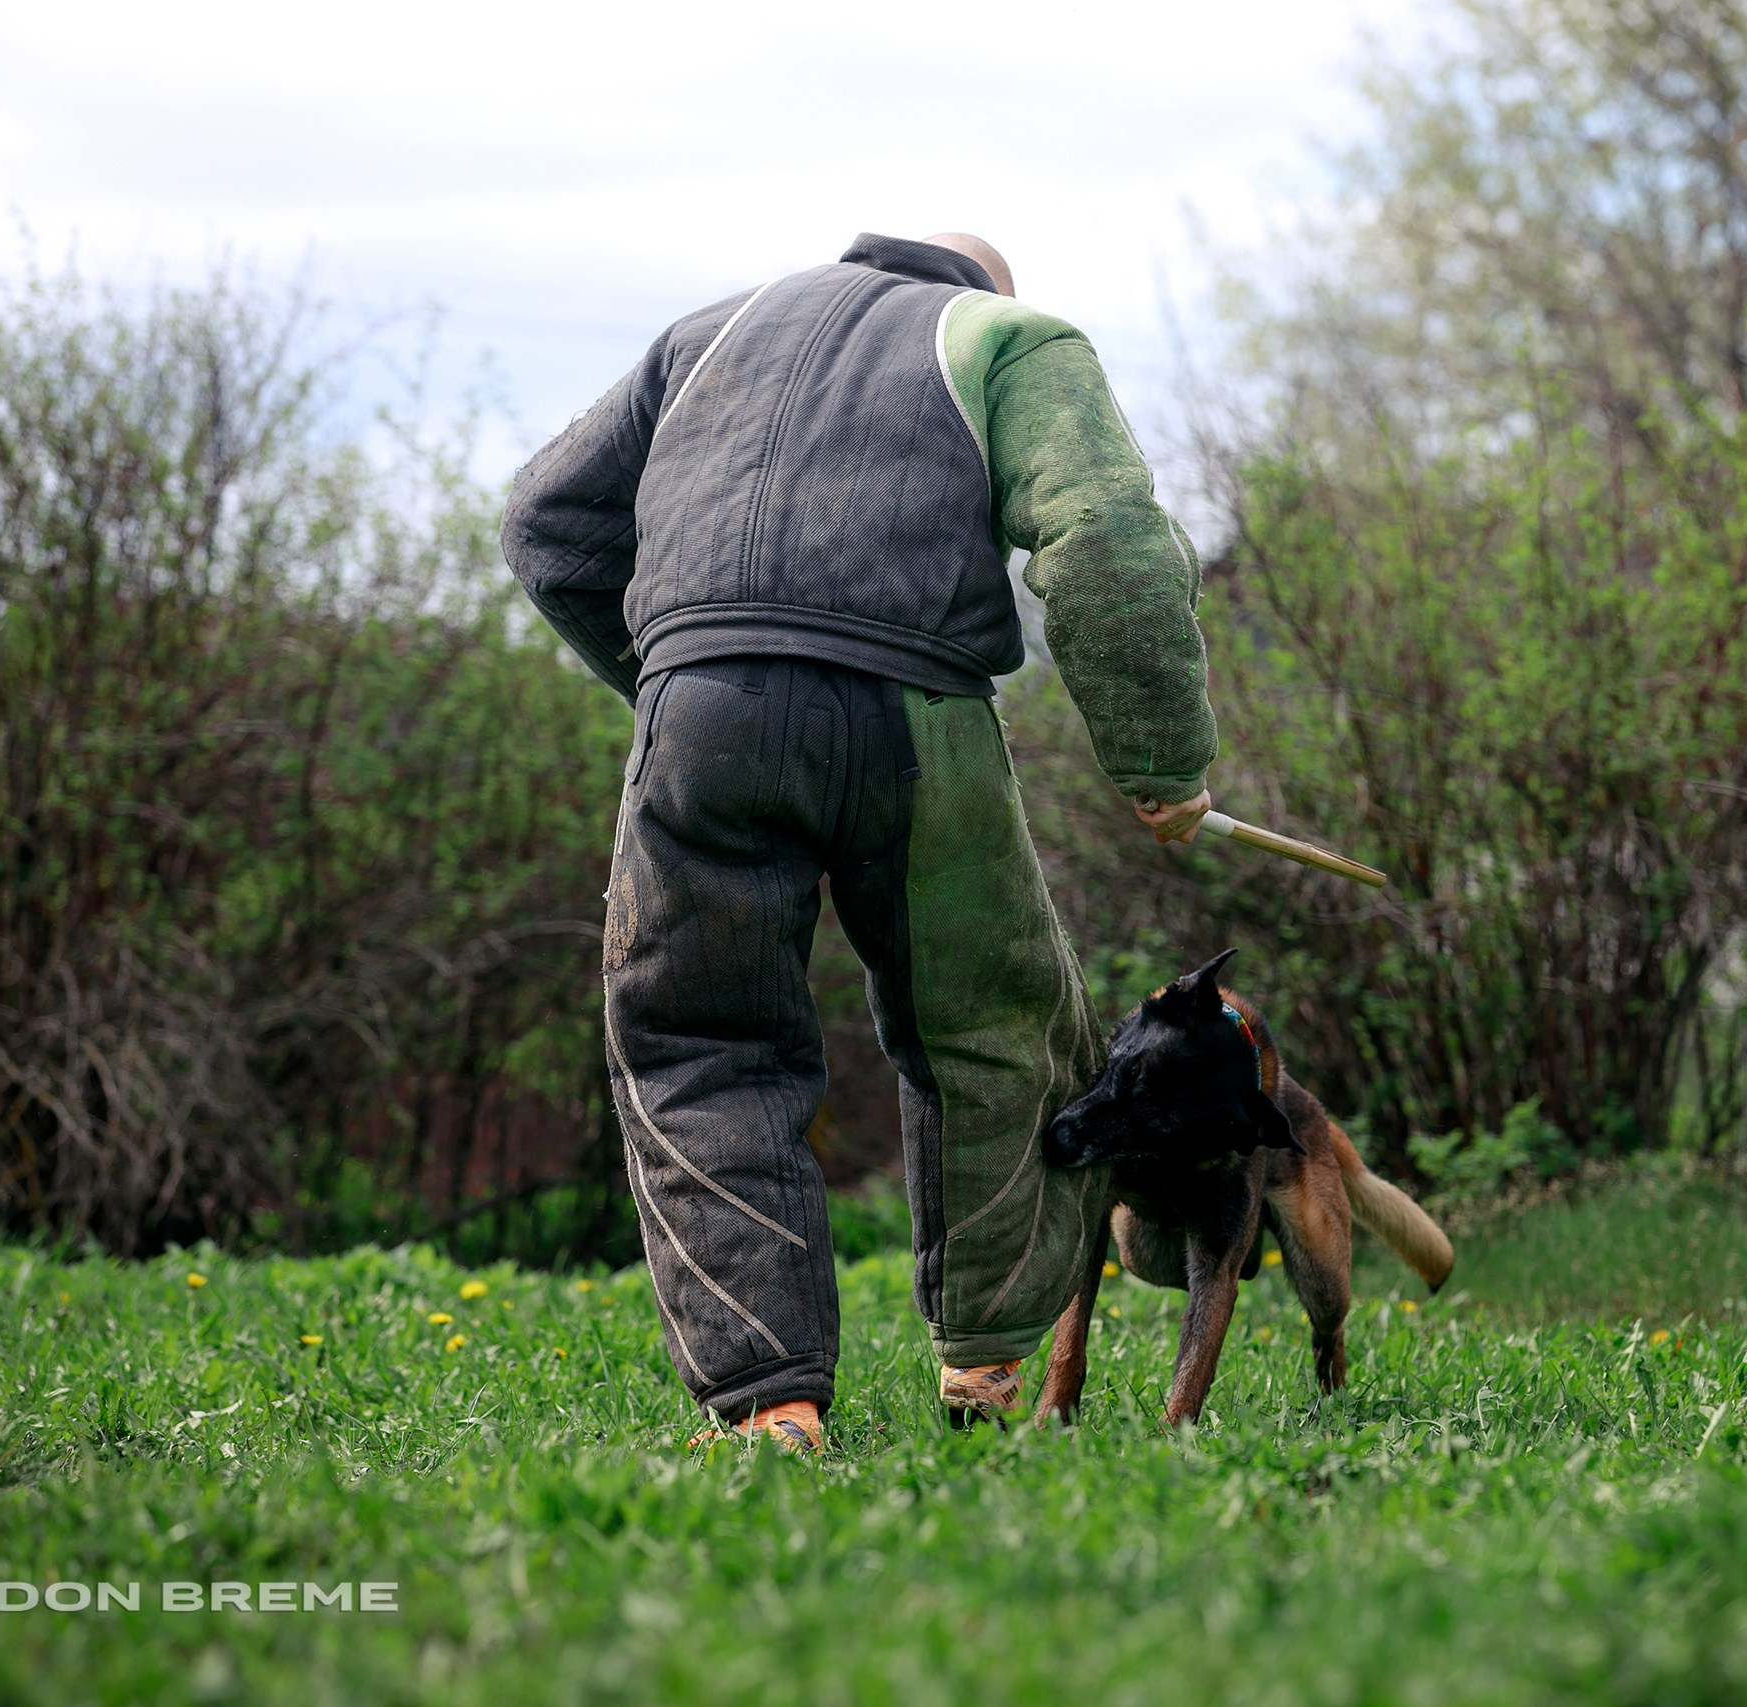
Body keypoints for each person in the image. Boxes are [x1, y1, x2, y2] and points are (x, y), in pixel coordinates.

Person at [500, 230, 1216, 1451]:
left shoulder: (707, 333)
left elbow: (545, 525)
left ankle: (769, 1404)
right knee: (989, 1028)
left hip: (698, 719)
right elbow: (1103, 535)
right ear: (985, 287)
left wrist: (677, 679)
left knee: (696, 1043)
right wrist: (1160, 762)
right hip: (918, 721)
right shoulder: (1008, 335)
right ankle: (986, 1363)